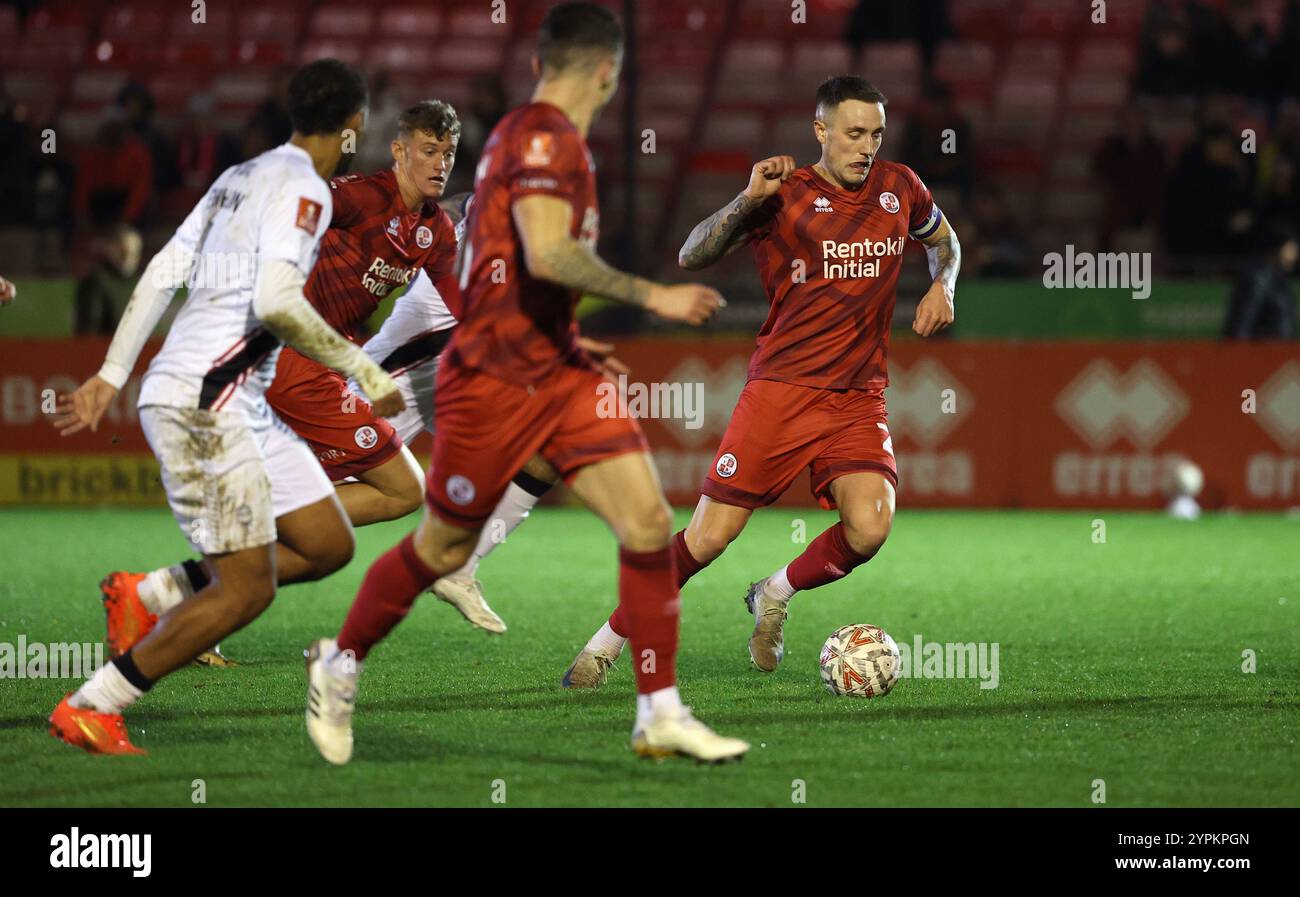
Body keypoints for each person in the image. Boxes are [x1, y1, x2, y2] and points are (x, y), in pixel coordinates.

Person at [303, 2, 749, 766]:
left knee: (646, 520)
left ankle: (660, 710)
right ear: (609, 71)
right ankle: (339, 664)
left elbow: (517, 271)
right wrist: (653, 295)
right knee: (437, 545)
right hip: (493, 379)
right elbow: (547, 255)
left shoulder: (536, 136)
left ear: (543, 62)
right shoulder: (544, 138)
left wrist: (571, 340)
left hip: (555, 369)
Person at [47, 59, 404, 755]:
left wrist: (113, 373)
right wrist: (362, 367)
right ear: (355, 124)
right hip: (205, 405)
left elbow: (161, 269)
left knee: (329, 541)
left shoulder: (238, 175)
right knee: (248, 589)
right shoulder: (307, 191)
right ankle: (94, 702)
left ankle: (145, 593)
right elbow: (274, 301)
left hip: (233, 402)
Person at [564, 75, 961, 685]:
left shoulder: (900, 187)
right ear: (820, 132)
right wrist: (747, 200)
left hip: (859, 397)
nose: (866, 147)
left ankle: (774, 592)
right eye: (853, 133)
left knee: (870, 527)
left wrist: (944, 283)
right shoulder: (784, 194)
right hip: (781, 391)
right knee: (707, 538)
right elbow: (692, 254)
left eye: (876, 134)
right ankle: (606, 641)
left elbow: (945, 242)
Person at [1222, 219, 1299, 339]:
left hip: (1281, 355)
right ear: (1276, 248)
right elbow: (1240, 328)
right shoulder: (1257, 280)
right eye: (1291, 248)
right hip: (1263, 355)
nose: (1295, 254)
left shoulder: (1280, 280)